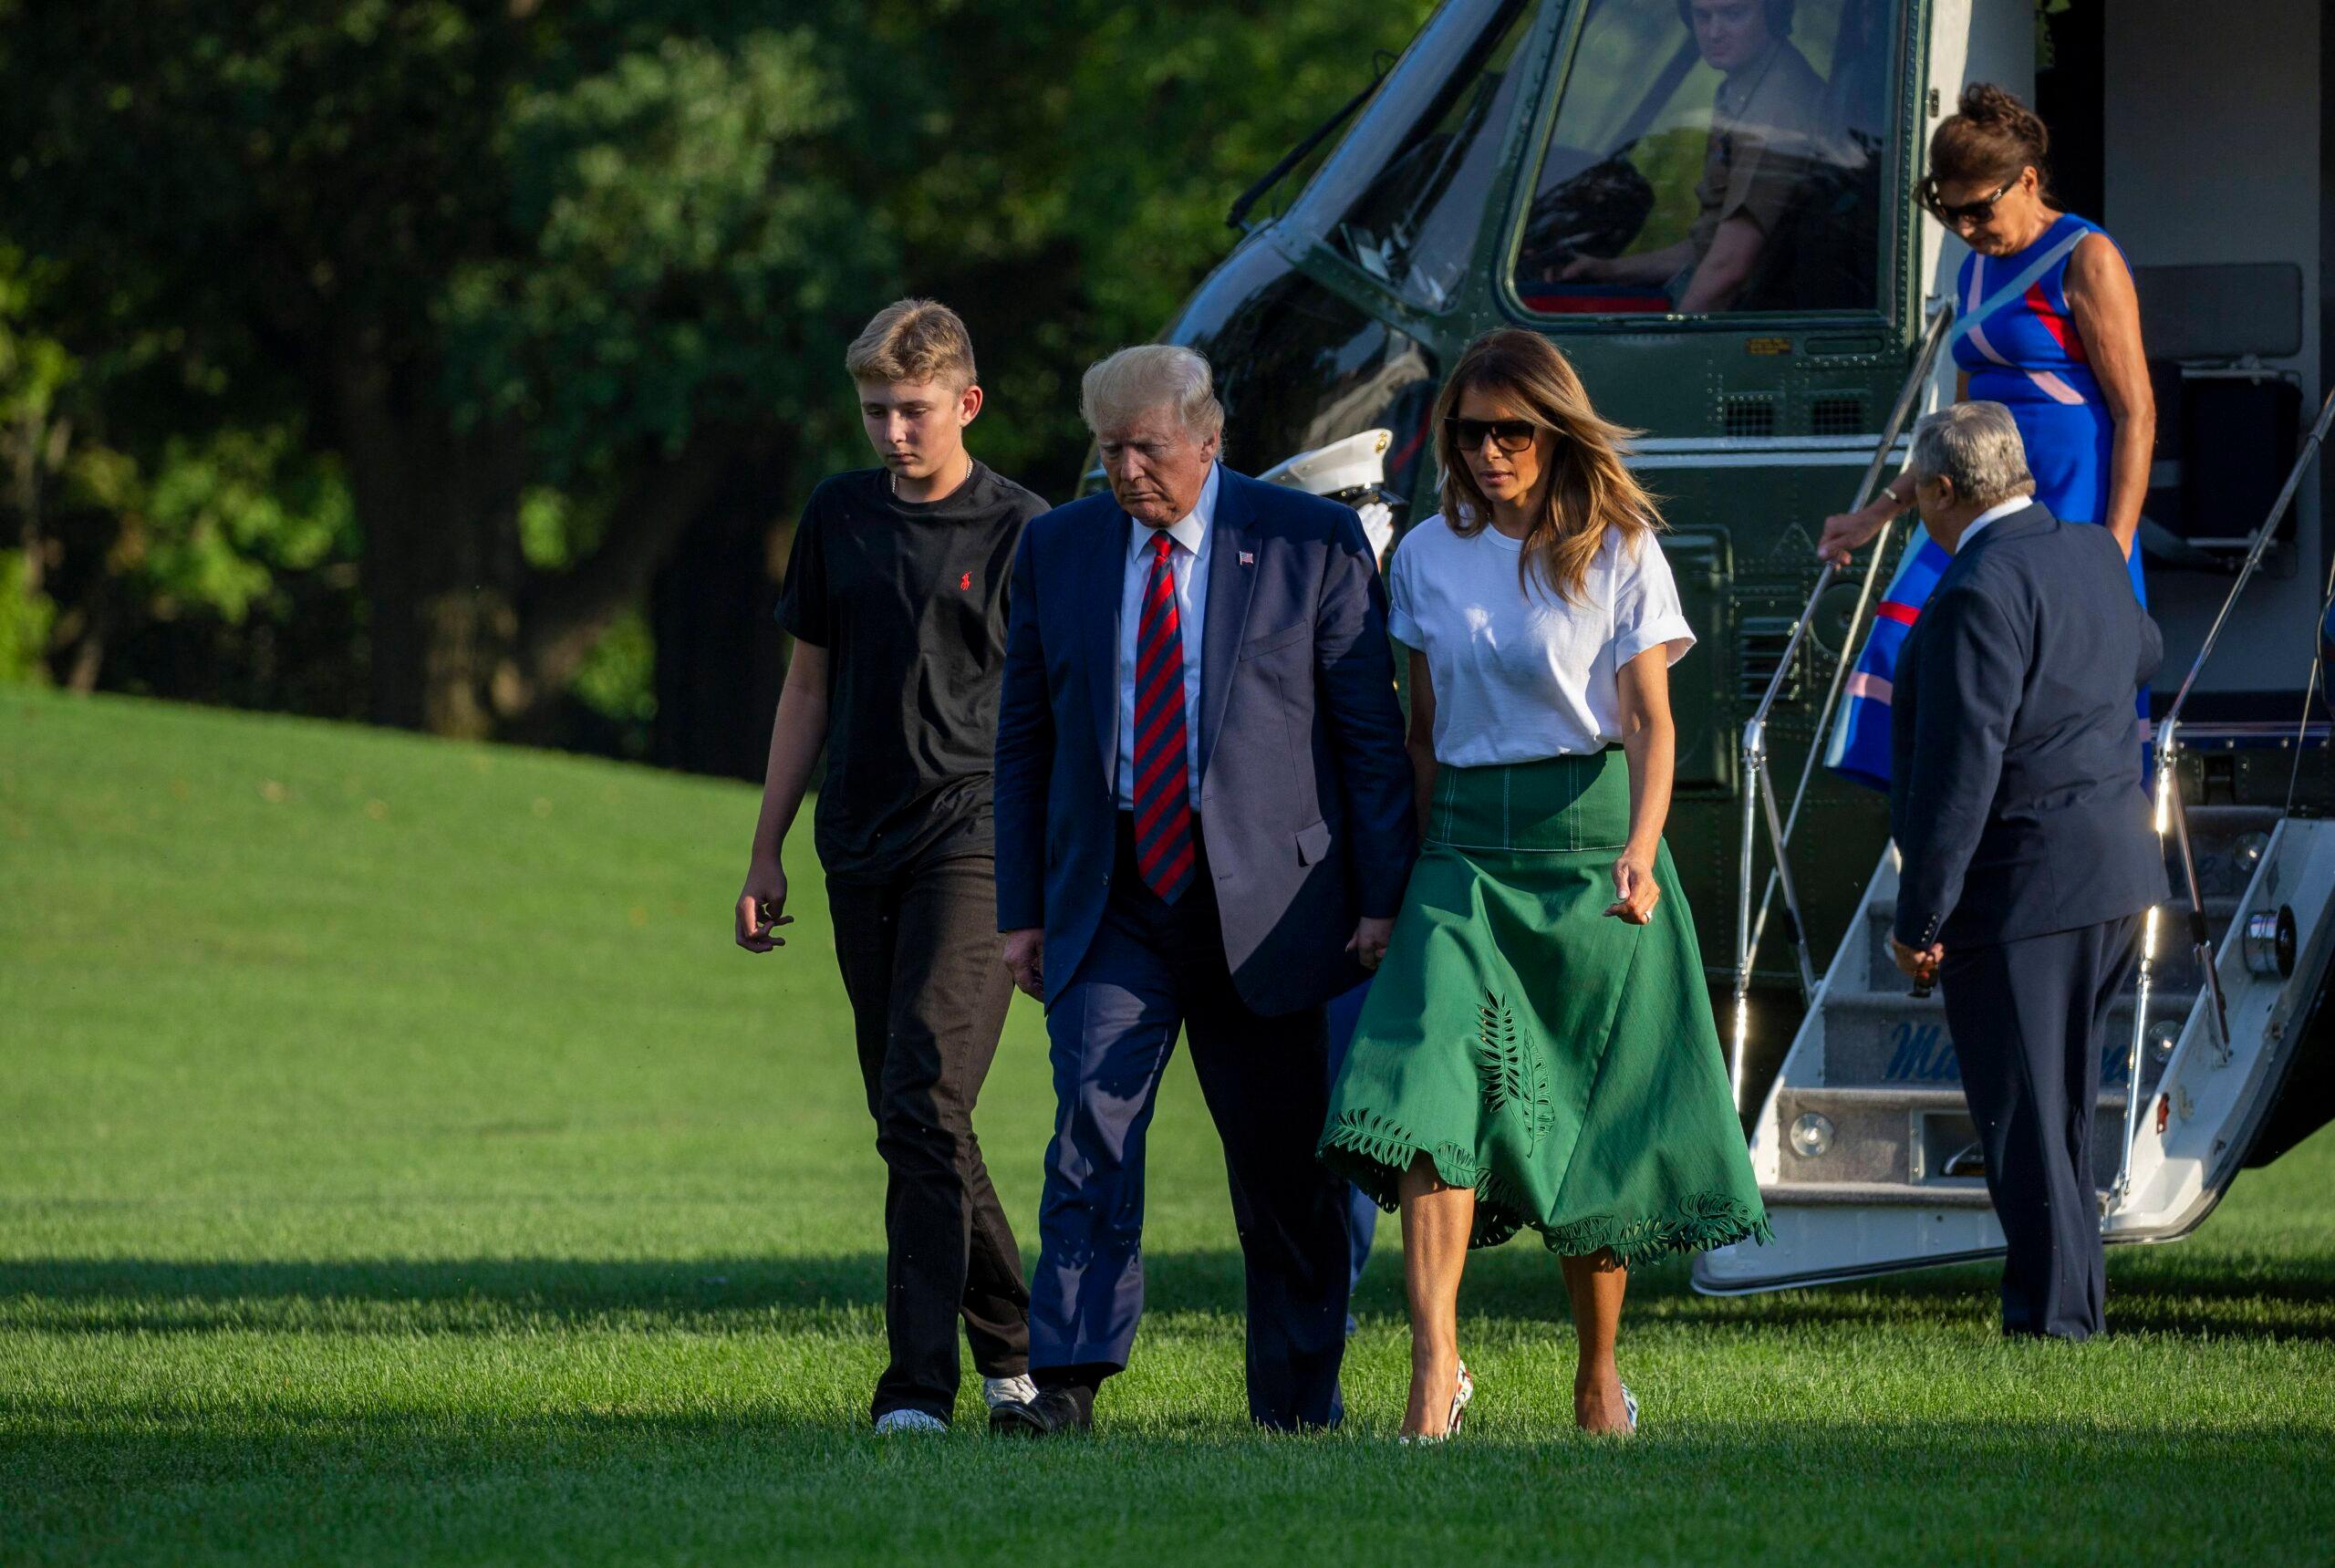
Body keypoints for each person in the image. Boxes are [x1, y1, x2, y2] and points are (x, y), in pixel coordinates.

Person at [1319, 329, 1767, 1440]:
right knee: (1425, 1101)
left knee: (1590, 1116)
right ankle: (1434, 1372)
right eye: (1469, 433)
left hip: (1594, 848)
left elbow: (1655, 725)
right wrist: (1402, 872)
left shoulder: (1620, 549)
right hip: (1463, 855)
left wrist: (1641, 847)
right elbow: (1420, 735)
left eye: (1511, 431)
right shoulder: (1421, 554)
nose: (1488, 452)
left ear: (1554, 431)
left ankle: (1597, 1372)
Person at [988, 345, 1416, 1436]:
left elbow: (1368, 739)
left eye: (1149, 447)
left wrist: (1380, 898)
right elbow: (1024, 739)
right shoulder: (1058, 549)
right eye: (1110, 448)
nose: (1128, 469)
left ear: (1208, 434)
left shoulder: (1305, 541)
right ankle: (1067, 1385)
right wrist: (1019, 910)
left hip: (1275, 912)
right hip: (1114, 894)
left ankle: (1295, 1401)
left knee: (1283, 1173)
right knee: (1089, 1125)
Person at [733, 299, 1049, 1435]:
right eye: (874, 412)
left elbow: (1052, 717)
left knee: (923, 1094)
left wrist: (1051, 881)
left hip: (976, 845)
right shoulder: (837, 517)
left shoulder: (1026, 530)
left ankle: (918, 1389)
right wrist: (766, 847)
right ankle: (1023, 1349)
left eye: (911, 411)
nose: (892, 434)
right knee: (911, 1117)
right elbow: (806, 688)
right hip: (854, 847)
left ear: (965, 402)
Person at [1886, 401, 2164, 1342]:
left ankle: (2051, 1321)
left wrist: (1919, 920)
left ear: (1941, 488)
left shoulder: (1975, 589)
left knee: (2024, 1120)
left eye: (1918, 497)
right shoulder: (2089, 550)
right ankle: (2071, 1309)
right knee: (2066, 1116)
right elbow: (2145, 650)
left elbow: (1959, 776)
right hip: (2116, 871)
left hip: (2024, 887)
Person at [1821, 83, 2154, 787]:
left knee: (2047, 684)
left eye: (1979, 210)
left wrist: (2113, 553)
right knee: (1910, 645)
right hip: (1974, 503)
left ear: (2027, 180)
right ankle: (1942, 829)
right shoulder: (1974, 269)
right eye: (1950, 212)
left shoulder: (2086, 256)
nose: (1967, 228)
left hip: (2071, 506)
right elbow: (1959, 431)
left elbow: (2136, 414)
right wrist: (1877, 514)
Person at [1559, 0, 1829, 313]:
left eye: (1734, 14)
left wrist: (1671, 344)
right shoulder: (1744, 86)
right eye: (1702, 16)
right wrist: (1608, 270)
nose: (1714, 32)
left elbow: (1730, 267)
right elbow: (1707, 248)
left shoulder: (1775, 107)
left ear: (1774, 14)